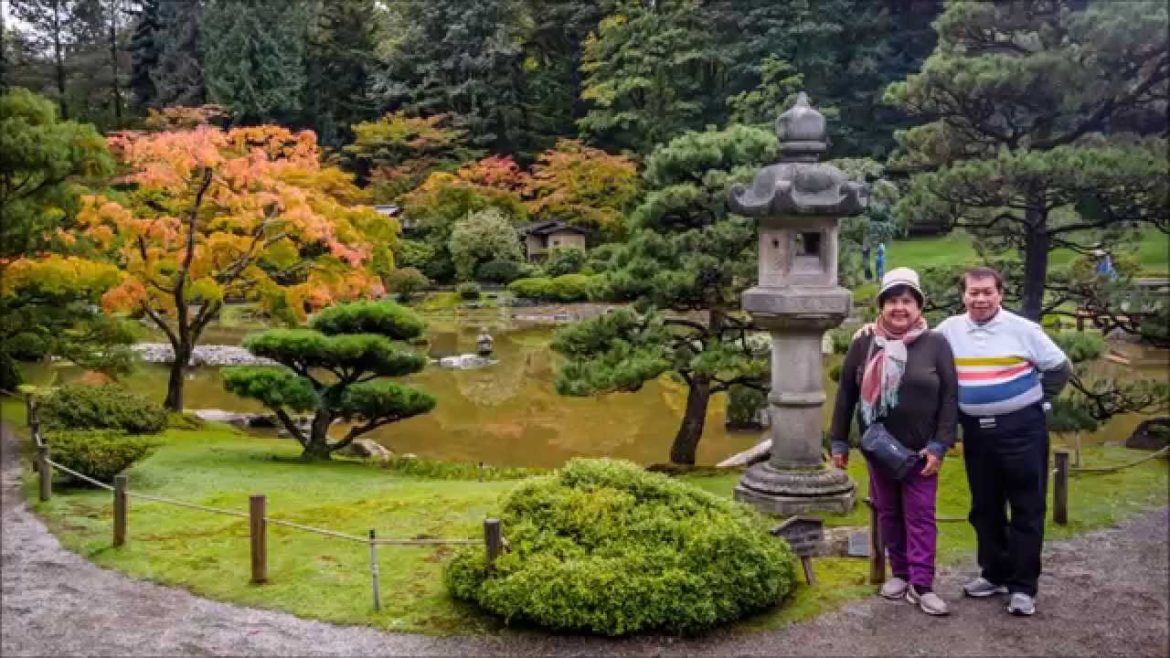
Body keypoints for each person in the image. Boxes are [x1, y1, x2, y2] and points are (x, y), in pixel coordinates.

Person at [935, 266, 1071, 617]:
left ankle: (1023, 587)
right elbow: (918, 349)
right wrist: (873, 329)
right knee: (985, 506)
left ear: (1000, 294)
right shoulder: (948, 330)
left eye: (987, 292)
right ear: (963, 295)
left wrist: (1040, 399)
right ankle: (993, 572)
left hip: (1022, 429)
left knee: (1027, 506)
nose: (980, 299)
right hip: (977, 432)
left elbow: (1059, 367)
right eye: (973, 292)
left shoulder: (1023, 330)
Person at [830, 267, 958, 617]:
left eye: (906, 301)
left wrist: (940, 445)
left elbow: (949, 397)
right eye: (892, 301)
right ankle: (899, 573)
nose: (899, 308)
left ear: (918, 306)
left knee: (921, 517)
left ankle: (922, 584)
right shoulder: (864, 342)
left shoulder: (936, 344)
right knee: (889, 513)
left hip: (921, 451)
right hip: (879, 447)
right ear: (882, 306)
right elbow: (846, 395)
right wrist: (839, 442)